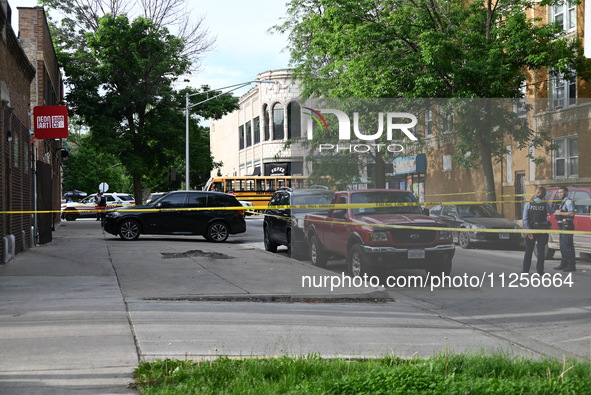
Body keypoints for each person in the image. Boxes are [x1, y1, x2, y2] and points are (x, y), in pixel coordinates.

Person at [522, 186, 555, 275]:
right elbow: (552, 212)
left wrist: (528, 231)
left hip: (531, 228)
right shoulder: (545, 204)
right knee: (541, 250)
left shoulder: (529, 204)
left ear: (536, 193)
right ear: (544, 194)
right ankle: (540, 271)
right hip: (542, 229)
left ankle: (525, 270)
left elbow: (525, 219)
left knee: (529, 250)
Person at [554, 186, 576, 272]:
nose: (559, 194)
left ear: (566, 192)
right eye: (559, 192)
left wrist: (560, 213)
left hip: (567, 225)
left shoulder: (568, 201)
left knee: (568, 246)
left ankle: (571, 266)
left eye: (561, 192)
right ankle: (564, 264)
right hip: (562, 225)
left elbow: (571, 213)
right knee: (563, 246)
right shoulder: (563, 202)